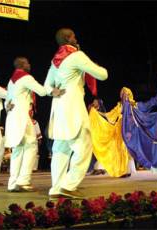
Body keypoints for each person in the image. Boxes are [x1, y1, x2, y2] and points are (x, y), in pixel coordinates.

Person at [45, 28, 108, 199]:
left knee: (60, 149)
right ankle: (69, 185)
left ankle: (56, 188)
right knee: (84, 145)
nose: (76, 37)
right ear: (68, 38)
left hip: (58, 108)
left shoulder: (55, 61)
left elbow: (46, 87)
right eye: (73, 35)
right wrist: (90, 63)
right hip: (73, 107)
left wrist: (53, 92)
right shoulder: (77, 56)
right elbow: (102, 75)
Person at [4, 57, 49, 192]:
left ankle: (13, 183)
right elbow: (42, 91)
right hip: (22, 117)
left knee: (18, 149)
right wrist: (52, 82)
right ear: (23, 65)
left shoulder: (11, 80)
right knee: (31, 146)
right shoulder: (26, 78)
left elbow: (7, 101)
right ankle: (23, 181)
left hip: (12, 117)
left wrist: (8, 105)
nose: (30, 64)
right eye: (28, 62)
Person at [88, 89, 137, 178]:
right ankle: (123, 171)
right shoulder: (119, 105)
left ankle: (127, 170)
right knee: (119, 149)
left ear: (129, 94)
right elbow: (111, 115)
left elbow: (134, 117)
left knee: (124, 149)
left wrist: (131, 130)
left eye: (125, 93)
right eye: (122, 93)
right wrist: (98, 113)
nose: (123, 95)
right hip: (118, 128)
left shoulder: (132, 104)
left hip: (127, 128)